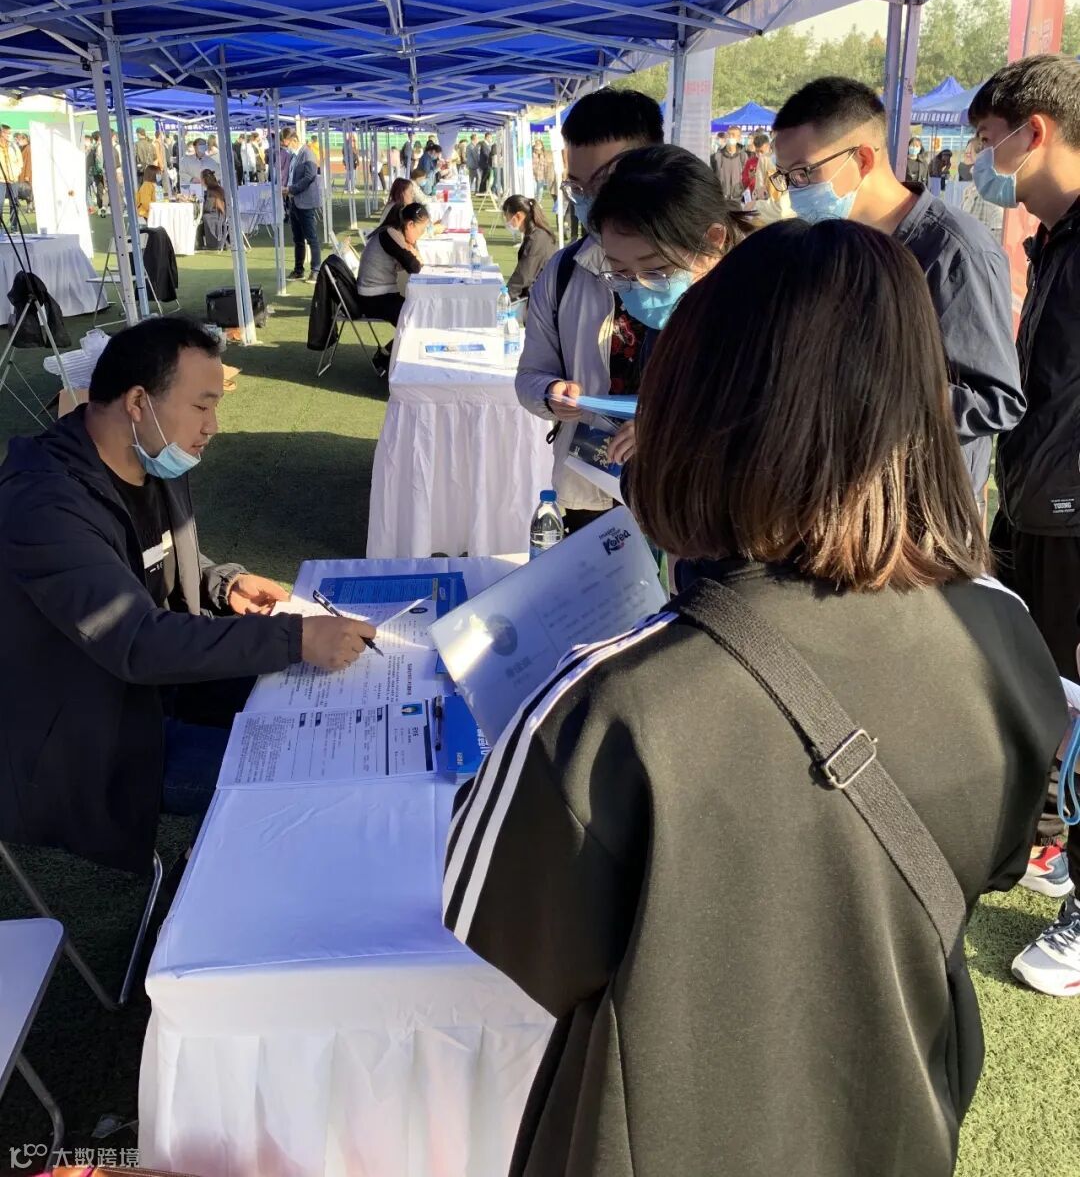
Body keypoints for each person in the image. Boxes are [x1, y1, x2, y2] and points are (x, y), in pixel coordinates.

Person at [447, 219, 1066, 1177]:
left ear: (698, 410)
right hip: (899, 1124)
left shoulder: (616, 705)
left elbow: (510, 930)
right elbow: (997, 855)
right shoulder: (1007, 635)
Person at [0, 316, 373, 874]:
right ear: (137, 402)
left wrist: (223, 582)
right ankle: (204, 890)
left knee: (325, 705)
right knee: (297, 769)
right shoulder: (43, 504)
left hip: (160, 684)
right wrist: (295, 637)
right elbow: (135, 638)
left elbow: (151, 557)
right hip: (90, 734)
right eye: (202, 406)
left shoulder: (151, 454)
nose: (212, 426)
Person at [966, 54, 1080, 994]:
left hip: (1073, 513)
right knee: (1047, 692)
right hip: (1038, 503)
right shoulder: (1055, 239)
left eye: (986, 140)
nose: (981, 159)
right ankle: (1055, 843)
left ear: (1032, 131)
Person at [771, 77, 1024, 494]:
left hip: (921, 501)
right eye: (785, 177)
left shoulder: (954, 251)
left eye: (804, 173)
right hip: (843, 490)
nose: (796, 190)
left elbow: (995, 401)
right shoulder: (833, 245)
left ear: (863, 159)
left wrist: (868, 392)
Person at [517, 112, 750, 533]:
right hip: (598, 481)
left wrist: (668, 429)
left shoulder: (756, 303)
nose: (635, 285)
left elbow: (765, 418)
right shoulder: (567, 270)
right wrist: (551, 394)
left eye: (654, 270)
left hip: (709, 512)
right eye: (620, 273)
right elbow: (531, 375)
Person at [357, 200, 430, 376]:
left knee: (418, 314)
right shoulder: (390, 234)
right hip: (373, 298)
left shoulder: (393, 233)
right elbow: (414, 267)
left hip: (380, 294)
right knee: (416, 318)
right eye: (420, 231)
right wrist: (413, 251)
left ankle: (388, 354)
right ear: (410, 225)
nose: (420, 236)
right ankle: (386, 357)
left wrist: (412, 250)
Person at [281, 126, 322, 282]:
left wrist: (291, 189)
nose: (286, 147)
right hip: (294, 201)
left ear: (294, 140)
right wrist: (287, 188)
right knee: (298, 239)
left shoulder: (307, 154)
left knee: (311, 238)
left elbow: (309, 177)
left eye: (286, 143)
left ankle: (316, 270)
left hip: (305, 202)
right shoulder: (294, 156)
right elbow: (292, 175)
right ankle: (299, 270)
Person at [502, 195, 557, 302]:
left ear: (518, 216)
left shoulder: (537, 238)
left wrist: (505, 297)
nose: (507, 222)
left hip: (543, 297)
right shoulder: (536, 234)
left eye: (507, 218)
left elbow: (523, 275)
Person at [711, 125, 744, 201]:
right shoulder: (717, 156)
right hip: (721, 197)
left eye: (733, 135)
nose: (730, 137)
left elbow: (746, 177)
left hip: (737, 198)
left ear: (739, 138)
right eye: (729, 134)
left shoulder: (743, 156)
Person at [200, 168, 228, 249]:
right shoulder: (218, 188)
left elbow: (208, 208)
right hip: (221, 214)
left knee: (202, 218)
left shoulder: (212, 191)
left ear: (204, 180)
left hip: (217, 216)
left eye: (201, 178)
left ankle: (210, 244)